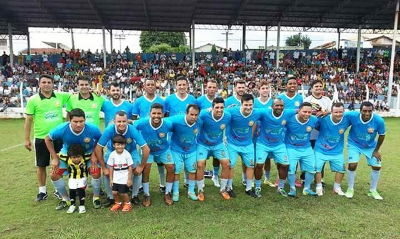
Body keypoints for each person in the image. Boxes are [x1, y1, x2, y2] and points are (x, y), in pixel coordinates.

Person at [24, 74, 70, 202]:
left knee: (60, 163)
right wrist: (26, 139)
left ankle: (58, 190)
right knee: (41, 165)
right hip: (40, 137)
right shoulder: (33, 100)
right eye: (43, 82)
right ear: (39, 84)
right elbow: (28, 120)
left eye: (49, 82)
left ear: (53, 84)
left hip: (58, 137)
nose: (46, 84)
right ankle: (42, 191)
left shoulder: (60, 96)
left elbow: (77, 94)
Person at [45, 108, 103, 210]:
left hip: (88, 155)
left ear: (85, 120)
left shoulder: (92, 128)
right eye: (75, 122)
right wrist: (54, 158)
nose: (79, 124)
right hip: (67, 155)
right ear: (69, 121)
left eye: (81, 121)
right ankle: (65, 199)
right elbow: (47, 139)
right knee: (54, 175)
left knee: (96, 172)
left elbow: (100, 139)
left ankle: (96, 197)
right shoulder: (62, 129)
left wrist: (94, 154)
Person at [94, 111, 149, 207]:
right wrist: (104, 167)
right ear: (114, 122)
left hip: (131, 151)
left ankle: (134, 195)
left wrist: (141, 166)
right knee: (107, 173)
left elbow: (146, 148)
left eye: (124, 121)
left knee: (137, 171)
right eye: (119, 121)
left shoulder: (132, 129)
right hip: (113, 151)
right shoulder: (109, 129)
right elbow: (98, 148)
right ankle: (110, 197)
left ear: (127, 121)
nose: (122, 124)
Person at [134, 103, 175, 206]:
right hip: (148, 151)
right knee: (146, 170)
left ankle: (167, 192)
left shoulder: (168, 124)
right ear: (149, 114)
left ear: (163, 114)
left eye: (159, 113)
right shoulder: (142, 123)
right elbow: (131, 124)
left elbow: (177, 129)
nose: (156, 116)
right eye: (154, 113)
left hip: (164, 150)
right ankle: (147, 194)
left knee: (171, 168)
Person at [254, 98, 295, 197]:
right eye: (277, 105)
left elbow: (301, 111)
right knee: (259, 165)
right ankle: (257, 187)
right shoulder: (264, 112)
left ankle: (280, 188)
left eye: (281, 105)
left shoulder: (287, 113)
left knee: (285, 165)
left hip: (279, 145)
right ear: (272, 106)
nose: (279, 107)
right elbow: (250, 111)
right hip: (263, 144)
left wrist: (324, 112)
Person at [344, 101, 386, 200]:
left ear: (372, 111)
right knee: (352, 164)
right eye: (364, 111)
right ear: (360, 110)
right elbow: (338, 112)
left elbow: (382, 135)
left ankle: (373, 190)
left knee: (377, 166)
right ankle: (350, 189)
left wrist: (376, 151)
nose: (367, 113)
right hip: (354, 143)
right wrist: (326, 112)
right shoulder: (353, 115)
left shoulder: (379, 120)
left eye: (369, 111)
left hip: (370, 146)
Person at [132, 78, 166, 193]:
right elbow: (134, 119)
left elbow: (164, 119)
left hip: (159, 137)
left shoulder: (161, 101)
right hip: (143, 138)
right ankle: (142, 187)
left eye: (152, 84)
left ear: (155, 86)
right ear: (144, 87)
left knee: (160, 162)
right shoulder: (138, 101)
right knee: (145, 163)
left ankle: (162, 185)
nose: (151, 86)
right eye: (148, 85)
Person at [226, 93, 262, 198]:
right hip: (232, 144)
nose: (248, 107)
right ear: (241, 104)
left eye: (250, 105)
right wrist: (210, 109)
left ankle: (249, 188)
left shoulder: (256, 113)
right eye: (246, 105)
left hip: (247, 144)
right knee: (231, 166)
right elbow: (219, 112)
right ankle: (229, 187)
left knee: (251, 165)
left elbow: (270, 112)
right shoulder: (232, 111)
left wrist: (297, 111)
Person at [196, 97, 232, 201]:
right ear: (212, 107)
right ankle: (200, 190)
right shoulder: (203, 114)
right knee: (200, 164)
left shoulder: (227, 116)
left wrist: (226, 138)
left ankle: (223, 189)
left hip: (218, 144)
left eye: (221, 107)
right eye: (217, 107)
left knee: (226, 164)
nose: (219, 110)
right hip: (203, 144)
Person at [314, 102, 350, 196]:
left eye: (340, 112)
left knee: (341, 169)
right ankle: (318, 187)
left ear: (344, 111)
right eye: (336, 112)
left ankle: (337, 187)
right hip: (321, 149)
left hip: (336, 151)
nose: (338, 114)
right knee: (317, 168)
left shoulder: (347, 119)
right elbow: (315, 125)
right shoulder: (323, 119)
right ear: (332, 112)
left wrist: (328, 111)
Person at [167, 104, 201, 202]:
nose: (194, 117)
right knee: (176, 170)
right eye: (191, 114)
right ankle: (176, 191)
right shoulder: (176, 120)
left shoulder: (199, 121)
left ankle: (191, 191)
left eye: (196, 115)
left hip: (191, 150)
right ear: (186, 113)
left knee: (192, 170)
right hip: (176, 149)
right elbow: (163, 121)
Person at [285, 102, 318, 197]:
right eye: (304, 111)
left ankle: (307, 188)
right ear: (299, 111)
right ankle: (292, 188)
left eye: (309, 112)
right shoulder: (290, 119)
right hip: (291, 147)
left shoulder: (314, 120)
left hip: (306, 147)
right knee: (291, 168)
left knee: (312, 168)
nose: (307, 114)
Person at [303, 79, 332, 184]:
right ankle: (304, 177)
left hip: (322, 133)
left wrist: (325, 112)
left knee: (320, 155)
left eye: (320, 86)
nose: (319, 88)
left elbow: (331, 111)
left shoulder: (327, 100)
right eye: (316, 86)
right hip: (309, 133)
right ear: (311, 89)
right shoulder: (307, 99)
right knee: (307, 155)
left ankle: (320, 178)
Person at [196, 79, 221, 187]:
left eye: (213, 87)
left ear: (216, 88)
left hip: (216, 135)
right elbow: (195, 115)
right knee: (203, 158)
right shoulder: (199, 101)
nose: (211, 89)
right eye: (209, 87)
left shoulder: (220, 101)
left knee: (217, 157)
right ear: (206, 88)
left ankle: (215, 176)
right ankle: (201, 179)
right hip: (203, 135)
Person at [108, 135, 134, 212]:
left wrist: (129, 179)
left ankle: (127, 203)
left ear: (125, 145)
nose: (120, 147)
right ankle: (118, 203)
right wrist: (111, 179)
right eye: (118, 145)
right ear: (114, 145)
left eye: (122, 144)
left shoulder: (127, 154)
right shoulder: (112, 154)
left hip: (124, 177)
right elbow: (111, 167)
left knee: (123, 193)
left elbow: (130, 167)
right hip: (116, 177)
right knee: (114, 192)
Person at [62, 144, 88, 214]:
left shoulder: (85, 158)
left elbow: (93, 154)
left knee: (81, 190)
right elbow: (58, 155)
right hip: (72, 178)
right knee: (72, 190)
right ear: (70, 157)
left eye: (78, 157)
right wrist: (54, 159)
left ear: (81, 155)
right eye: (74, 157)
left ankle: (82, 206)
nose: (76, 159)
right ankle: (72, 205)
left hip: (83, 177)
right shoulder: (67, 159)